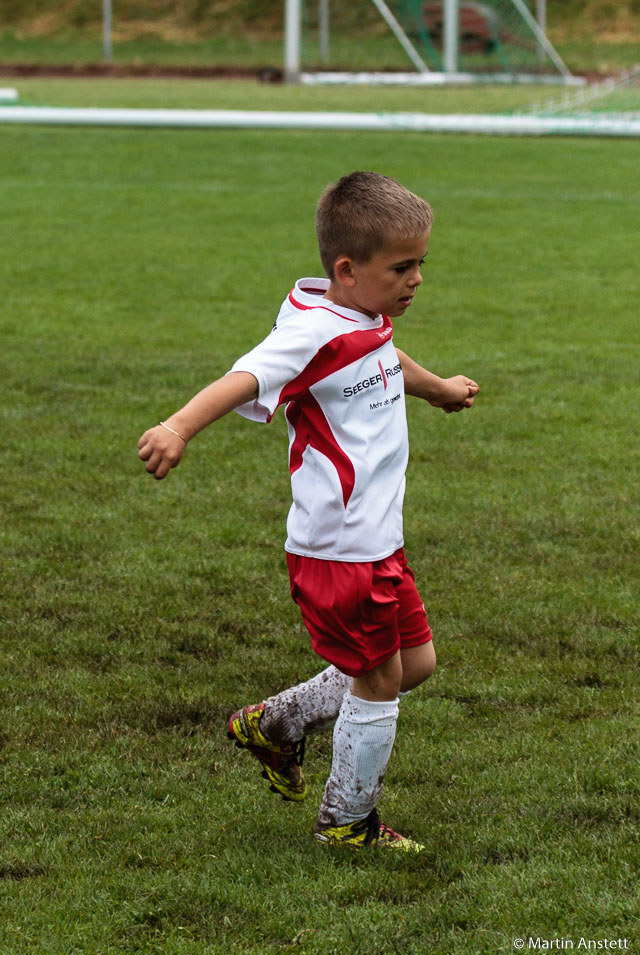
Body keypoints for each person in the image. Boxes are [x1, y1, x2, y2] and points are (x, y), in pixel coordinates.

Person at [138, 171, 479, 852]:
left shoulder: (355, 312)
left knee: (415, 663)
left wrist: (436, 388)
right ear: (349, 269)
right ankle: (348, 823)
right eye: (402, 267)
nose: (417, 280)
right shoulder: (310, 334)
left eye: (421, 265)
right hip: (341, 546)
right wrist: (178, 427)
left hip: (377, 539)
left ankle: (278, 724)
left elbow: (379, 349)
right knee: (381, 679)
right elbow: (246, 377)